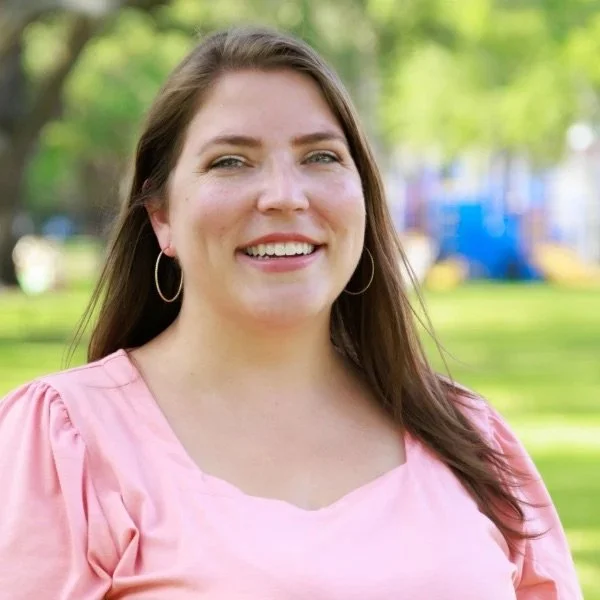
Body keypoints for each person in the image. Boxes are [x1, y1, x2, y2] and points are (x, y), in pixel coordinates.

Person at [0, 26, 582, 599]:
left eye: (321, 156)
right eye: (231, 161)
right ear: (162, 216)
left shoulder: (470, 438)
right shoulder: (67, 442)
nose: (285, 195)